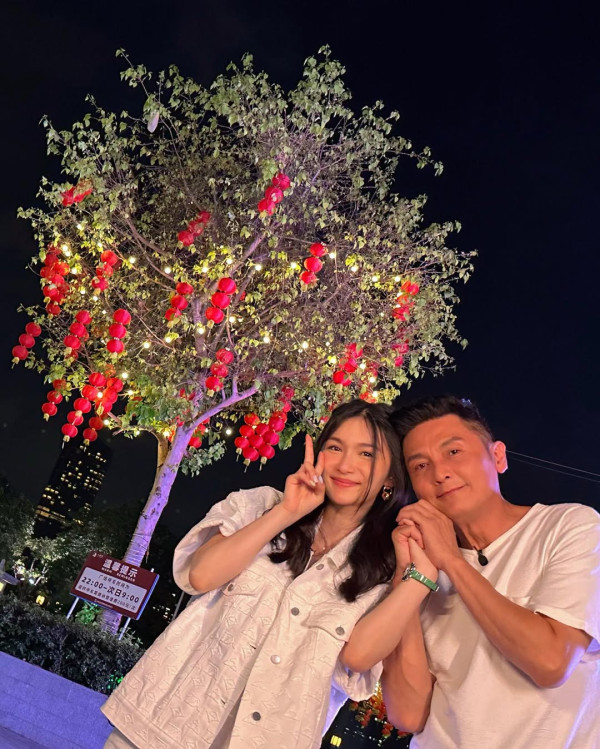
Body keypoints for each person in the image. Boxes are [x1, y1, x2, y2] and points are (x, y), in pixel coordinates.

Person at [101, 399, 438, 749]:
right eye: (335, 447)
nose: (345, 464)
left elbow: (358, 657)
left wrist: (418, 576)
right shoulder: (261, 505)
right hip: (161, 729)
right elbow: (200, 575)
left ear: (390, 477)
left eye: (366, 454)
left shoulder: (383, 573)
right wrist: (287, 512)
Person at [383, 394, 600, 749]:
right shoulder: (422, 571)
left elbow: (551, 662)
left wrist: (452, 561)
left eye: (454, 451)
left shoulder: (570, 526)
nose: (440, 473)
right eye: (420, 466)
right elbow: (407, 715)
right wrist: (407, 577)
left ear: (497, 456)